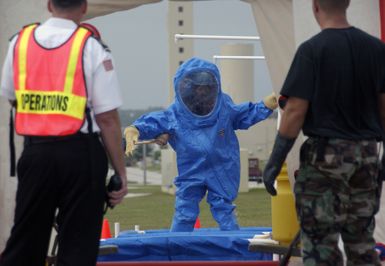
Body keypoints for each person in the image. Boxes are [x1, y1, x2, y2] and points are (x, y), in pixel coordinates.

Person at [0, 0, 128, 265]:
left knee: (24, 242)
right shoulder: (91, 47)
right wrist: (120, 171)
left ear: (48, 5)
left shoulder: (20, 43)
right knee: (78, 247)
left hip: (36, 153)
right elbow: (107, 119)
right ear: (83, 7)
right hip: (80, 155)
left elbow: (12, 96)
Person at [263, 0, 385, 265]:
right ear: (348, 4)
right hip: (366, 157)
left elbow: (294, 111)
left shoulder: (312, 51)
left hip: (325, 159)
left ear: (316, 7)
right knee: (362, 243)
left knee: (320, 246)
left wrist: (274, 161)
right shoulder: (376, 49)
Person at [124, 57, 278, 232]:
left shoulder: (224, 107)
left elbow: (244, 114)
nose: (202, 92)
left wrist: (266, 105)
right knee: (184, 212)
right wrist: (134, 129)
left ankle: (235, 253)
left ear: (214, 86)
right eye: (198, 87)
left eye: (206, 87)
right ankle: (177, 251)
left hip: (223, 168)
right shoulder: (176, 114)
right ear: (188, 87)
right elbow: (156, 122)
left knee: (224, 211)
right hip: (191, 170)